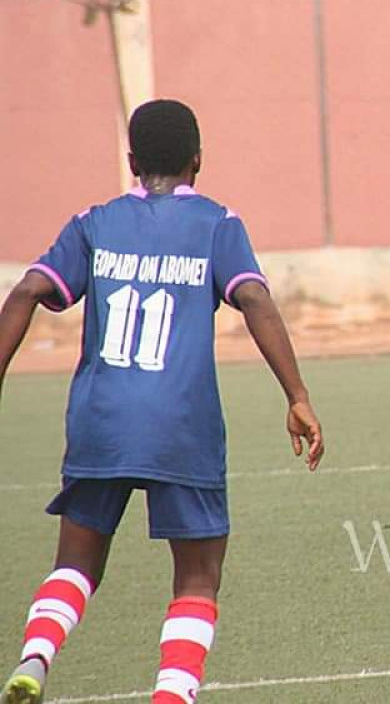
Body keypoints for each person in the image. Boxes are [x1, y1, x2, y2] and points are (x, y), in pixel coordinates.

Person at [0, 100, 324, 704]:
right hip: (182, 425)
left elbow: (27, 291)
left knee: (75, 564)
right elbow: (254, 301)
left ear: (131, 161)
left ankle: (35, 658)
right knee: (198, 577)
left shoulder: (94, 222)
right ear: (198, 161)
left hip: (101, 422)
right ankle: (172, 696)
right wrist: (297, 395)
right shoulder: (218, 224)